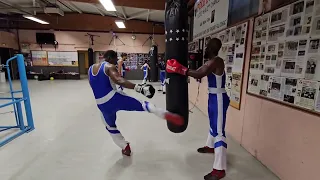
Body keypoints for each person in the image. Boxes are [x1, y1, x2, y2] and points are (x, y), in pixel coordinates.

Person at [88, 50, 183, 156]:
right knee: (142, 104)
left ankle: (125, 147)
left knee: (110, 127)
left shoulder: (90, 69)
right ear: (110, 58)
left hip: (101, 105)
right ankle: (161, 113)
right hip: (113, 98)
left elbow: (95, 85)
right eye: (115, 59)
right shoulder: (109, 66)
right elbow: (119, 80)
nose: (116, 62)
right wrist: (137, 87)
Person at [166, 38, 230, 180]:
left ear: (212, 48)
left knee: (219, 131)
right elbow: (201, 71)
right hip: (213, 96)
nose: (206, 48)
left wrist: (181, 69)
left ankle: (220, 169)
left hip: (219, 98)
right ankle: (210, 146)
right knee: (213, 125)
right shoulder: (212, 61)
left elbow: (200, 73)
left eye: (208, 46)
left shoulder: (216, 61)